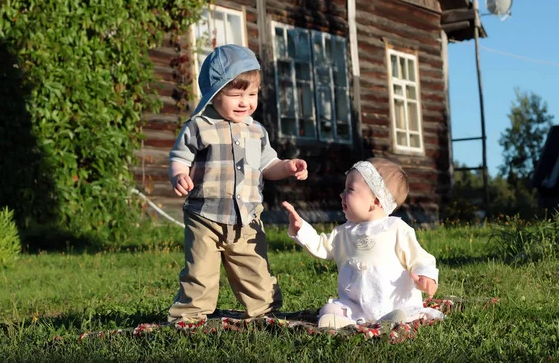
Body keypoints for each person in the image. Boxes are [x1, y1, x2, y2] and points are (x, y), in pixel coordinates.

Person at [168, 44, 308, 323]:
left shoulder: (256, 131)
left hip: (246, 218)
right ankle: (190, 316)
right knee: (200, 271)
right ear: (215, 93)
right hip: (204, 216)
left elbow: (267, 166)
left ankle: (264, 311)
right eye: (236, 94)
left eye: (252, 94)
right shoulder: (199, 126)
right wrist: (179, 174)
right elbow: (179, 156)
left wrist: (288, 167)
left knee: (254, 268)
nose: (245, 102)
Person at [282, 158, 442, 329]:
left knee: (405, 312)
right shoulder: (343, 232)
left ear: (376, 201)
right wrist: (301, 229)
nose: (341, 194)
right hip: (355, 304)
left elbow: (420, 258)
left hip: (392, 301)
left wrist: (427, 277)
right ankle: (345, 322)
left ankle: (394, 319)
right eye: (344, 189)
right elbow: (321, 246)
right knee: (329, 309)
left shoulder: (396, 229)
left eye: (349, 189)